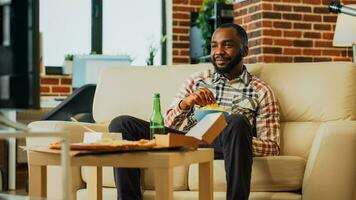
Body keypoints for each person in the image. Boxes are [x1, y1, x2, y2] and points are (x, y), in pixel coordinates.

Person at [109, 23, 280, 200]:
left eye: (227, 45)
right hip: (185, 139)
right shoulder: (196, 80)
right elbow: (164, 126)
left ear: (244, 51)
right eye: (214, 45)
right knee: (121, 123)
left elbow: (272, 147)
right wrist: (185, 104)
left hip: (223, 146)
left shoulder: (261, 91)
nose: (219, 51)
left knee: (236, 121)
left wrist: (237, 139)